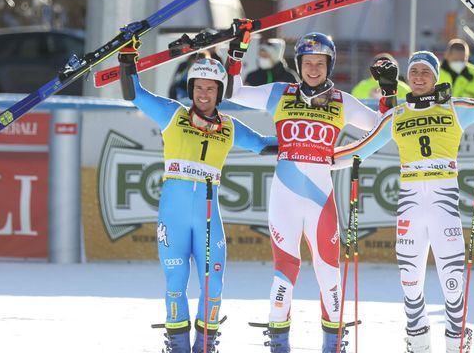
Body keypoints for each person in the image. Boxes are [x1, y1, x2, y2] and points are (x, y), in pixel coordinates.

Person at [332, 41, 474, 353]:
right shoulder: (395, 115)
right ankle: (417, 343)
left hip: (444, 204)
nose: (420, 76)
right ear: (407, 79)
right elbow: (358, 150)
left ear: (435, 78)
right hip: (410, 205)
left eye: (426, 71)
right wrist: (312, 158)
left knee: (452, 283)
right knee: (410, 282)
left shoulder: (455, 108)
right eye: (414, 72)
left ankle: (456, 341)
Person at [224, 21, 392, 353]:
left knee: (329, 273)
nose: (313, 69)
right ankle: (278, 345)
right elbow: (234, 92)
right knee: (285, 271)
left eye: (320, 63)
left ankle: (333, 346)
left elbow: (383, 128)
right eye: (307, 63)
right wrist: (237, 52)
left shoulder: (342, 101)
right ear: (298, 65)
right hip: (284, 198)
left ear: (329, 65)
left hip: (321, 199)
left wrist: (388, 94)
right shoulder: (280, 93)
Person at [118, 38, 277, 353]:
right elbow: (134, 93)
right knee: (175, 283)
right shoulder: (173, 116)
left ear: (219, 92)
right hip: (173, 218)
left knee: (213, 285)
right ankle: (177, 347)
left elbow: (263, 143)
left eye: (211, 88)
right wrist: (127, 57)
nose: (204, 94)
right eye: (199, 88)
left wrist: (305, 138)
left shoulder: (230, 127)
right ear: (190, 89)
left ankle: (207, 345)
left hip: (208, 219)